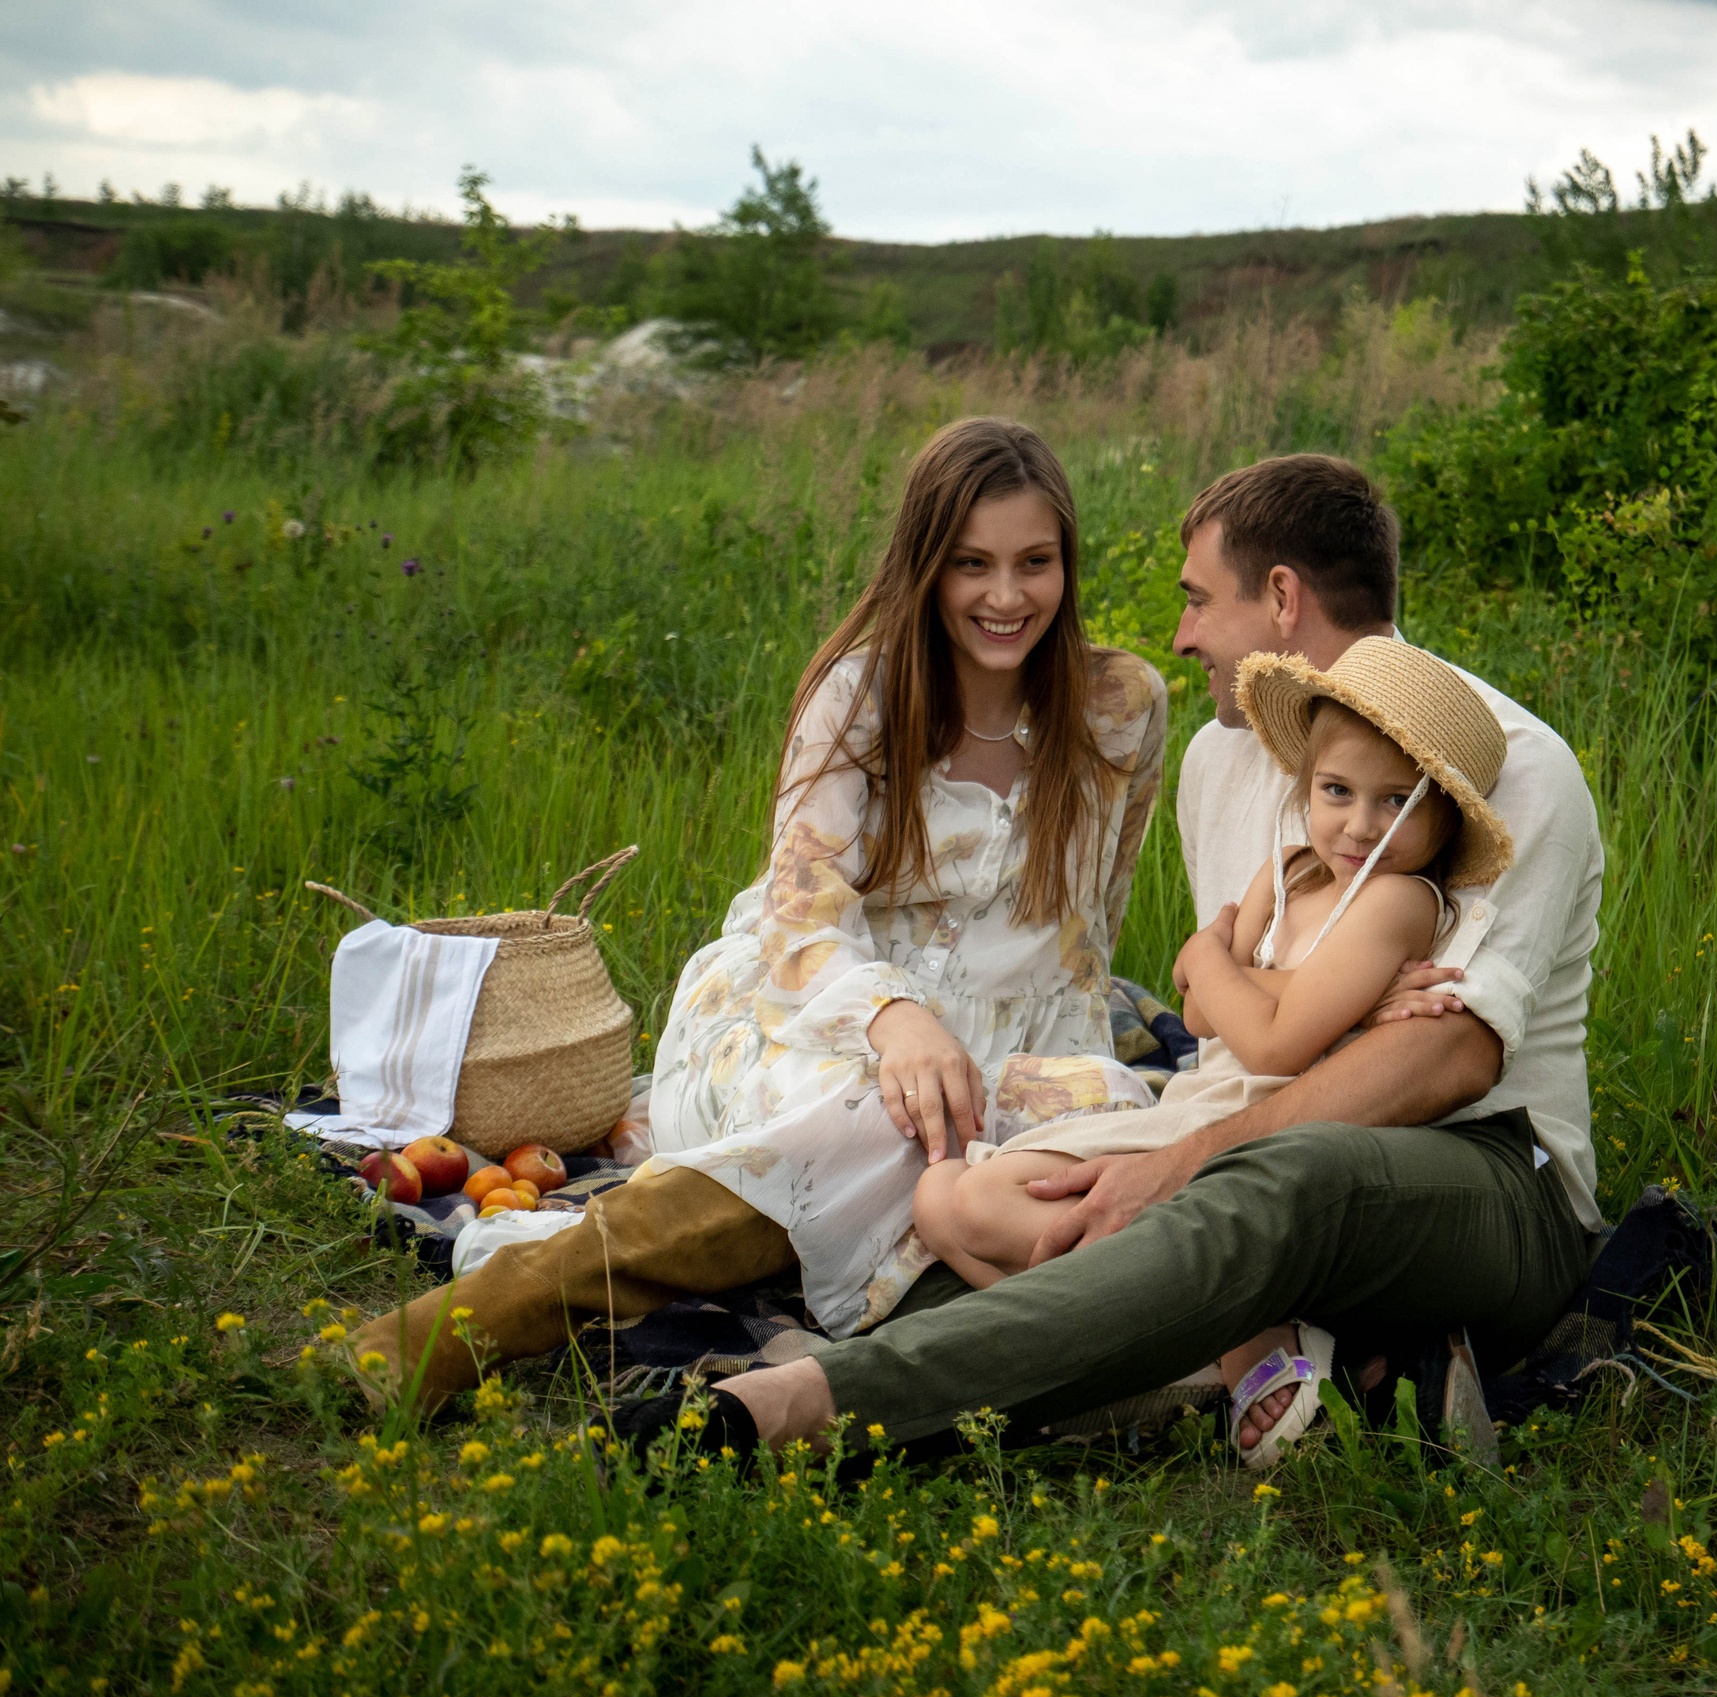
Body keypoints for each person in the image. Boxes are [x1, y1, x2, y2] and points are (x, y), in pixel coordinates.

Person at [647, 451, 1607, 1460]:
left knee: (1274, 1182)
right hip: (1256, 1127)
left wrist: (1191, 1157)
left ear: (1280, 597)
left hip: (1486, 1166)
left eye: (1198, 600)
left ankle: (809, 1409)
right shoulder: (1221, 758)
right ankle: (1316, 1354)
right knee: (963, 1192)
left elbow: (1453, 1057)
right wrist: (1185, 1120)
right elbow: (1223, 1012)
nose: (1181, 634)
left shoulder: (1503, 762)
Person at [350, 417, 1168, 1409]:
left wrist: (1063, 1074)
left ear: (1066, 564)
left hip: (1020, 1034)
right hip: (808, 1011)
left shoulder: (1122, 704)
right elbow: (800, 917)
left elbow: (1092, 925)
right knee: (876, 1124)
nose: (1006, 596)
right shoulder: (862, 693)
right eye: (971, 565)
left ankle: (923, 1334)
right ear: (925, 565)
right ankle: (478, 1319)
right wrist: (895, 1018)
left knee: (1115, 1157)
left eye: (1034, 563)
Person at [909, 639, 1517, 1463]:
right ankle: (1196, 1348)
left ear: (1441, 814)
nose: (1360, 824)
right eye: (1337, 791)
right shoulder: (1295, 872)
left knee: (988, 1208)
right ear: (1307, 784)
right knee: (947, 1199)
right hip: (1198, 1102)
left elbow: (1271, 1037)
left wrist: (1210, 958)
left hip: (1269, 1129)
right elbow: (1198, 1018)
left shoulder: (1399, 901)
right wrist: (1303, 995)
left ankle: (1241, 1343)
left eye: (1396, 803)